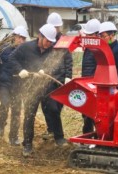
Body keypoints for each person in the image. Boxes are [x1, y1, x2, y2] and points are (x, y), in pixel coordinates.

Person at [9, 23, 67, 157]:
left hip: (47, 87)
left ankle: (59, 138)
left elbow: (59, 68)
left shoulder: (52, 50)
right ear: (40, 36)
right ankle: (27, 144)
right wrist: (21, 70)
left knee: (53, 109)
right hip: (30, 87)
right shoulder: (25, 47)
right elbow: (12, 58)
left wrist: (47, 72)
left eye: (51, 42)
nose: (48, 44)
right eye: (47, 41)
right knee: (30, 115)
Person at [0, 26, 29, 145]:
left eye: (23, 38)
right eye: (19, 37)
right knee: (5, 104)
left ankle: (13, 137)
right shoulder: (2, 50)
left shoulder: (25, 53)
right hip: (4, 83)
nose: (21, 40)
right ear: (13, 37)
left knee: (16, 110)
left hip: (18, 85)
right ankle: (0, 125)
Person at [41, 12, 72, 142]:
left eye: (57, 27)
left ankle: (58, 135)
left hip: (59, 79)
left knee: (55, 107)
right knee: (45, 106)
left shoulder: (63, 41)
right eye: (53, 27)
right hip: (45, 78)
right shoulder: (45, 40)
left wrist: (68, 76)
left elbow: (68, 59)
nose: (55, 30)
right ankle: (51, 129)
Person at [80, 19, 101, 134]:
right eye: (86, 35)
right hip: (87, 85)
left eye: (90, 35)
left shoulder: (99, 49)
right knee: (87, 115)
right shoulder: (89, 48)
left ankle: (97, 139)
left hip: (95, 87)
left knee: (95, 116)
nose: (87, 37)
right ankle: (87, 139)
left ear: (97, 35)